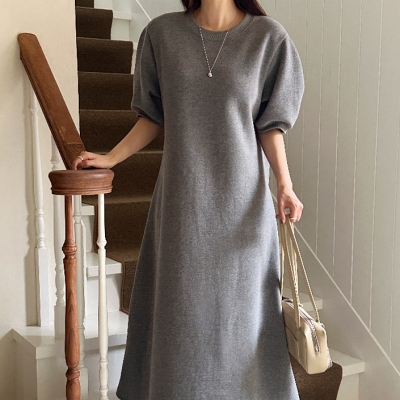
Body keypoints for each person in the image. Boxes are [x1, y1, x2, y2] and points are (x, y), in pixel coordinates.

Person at [73, 0, 304, 398]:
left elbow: (270, 126)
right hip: (183, 204)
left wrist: (285, 183)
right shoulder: (161, 34)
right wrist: (110, 158)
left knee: (241, 320)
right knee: (181, 316)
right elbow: (152, 116)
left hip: (243, 205)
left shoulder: (269, 39)